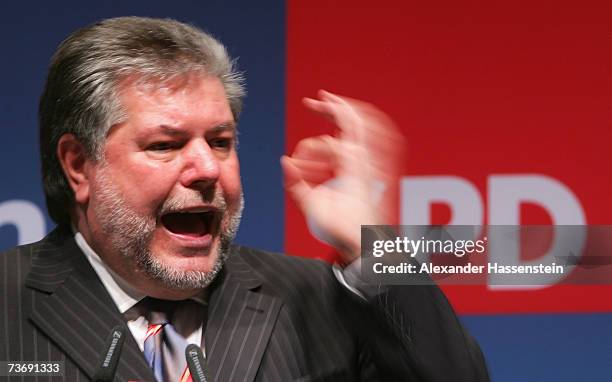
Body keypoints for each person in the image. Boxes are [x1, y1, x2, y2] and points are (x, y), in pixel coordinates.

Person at [0, 17, 488, 381]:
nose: (209, 169)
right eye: (166, 145)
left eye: (220, 141)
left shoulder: (312, 297)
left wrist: (374, 243)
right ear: (78, 165)